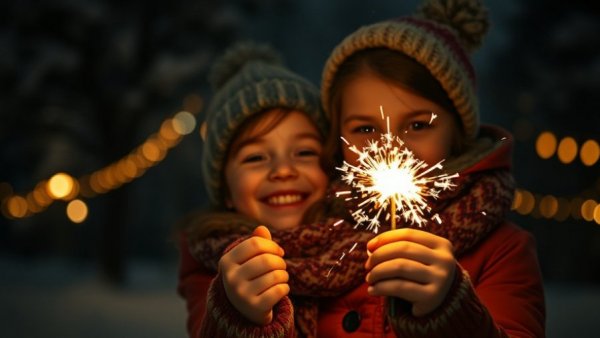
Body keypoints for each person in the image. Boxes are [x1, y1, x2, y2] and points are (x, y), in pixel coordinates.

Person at [317, 0, 546, 336]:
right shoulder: (309, 238)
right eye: (365, 129)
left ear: (456, 132)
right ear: (337, 139)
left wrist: (452, 308)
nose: (391, 149)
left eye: (418, 125)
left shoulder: (503, 250)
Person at [177, 41, 374, 337]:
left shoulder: (367, 244)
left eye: (304, 152)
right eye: (255, 157)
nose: (283, 170)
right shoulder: (214, 268)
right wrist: (236, 314)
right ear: (226, 190)